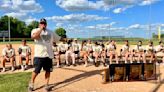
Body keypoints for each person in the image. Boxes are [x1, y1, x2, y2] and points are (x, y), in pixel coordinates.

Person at [29, 18, 60, 91]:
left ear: (46, 24)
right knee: (36, 71)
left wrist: (66, 40)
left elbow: (58, 38)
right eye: (41, 23)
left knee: (48, 71)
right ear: (39, 24)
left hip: (48, 55)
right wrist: (40, 29)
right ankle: (31, 84)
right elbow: (33, 37)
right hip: (39, 55)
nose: (43, 24)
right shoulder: (35, 30)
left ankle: (46, 85)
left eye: (44, 23)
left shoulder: (51, 32)